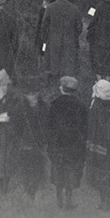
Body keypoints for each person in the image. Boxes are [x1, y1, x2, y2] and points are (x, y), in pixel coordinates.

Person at [45, 74, 89, 210]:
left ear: (62, 88)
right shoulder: (81, 106)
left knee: (58, 169)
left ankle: (59, 199)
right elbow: (85, 127)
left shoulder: (54, 104)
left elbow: (49, 125)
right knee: (71, 171)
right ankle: (68, 200)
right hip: (74, 145)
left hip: (58, 144)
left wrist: (50, 141)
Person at [86, 79, 110, 210]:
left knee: (99, 173)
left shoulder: (96, 106)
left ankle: (103, 201)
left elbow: (91, 125)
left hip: (98, 145)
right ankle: (108, 201)